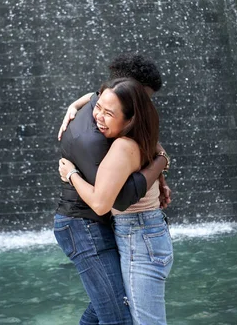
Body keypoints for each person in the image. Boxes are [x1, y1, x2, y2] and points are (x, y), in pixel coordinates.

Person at [54, 54, 170, 324]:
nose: (145, 104)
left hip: (104, 225)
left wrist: (161, 170)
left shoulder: (103, 108)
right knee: (117, 315)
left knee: (105, 305)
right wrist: (162, 162)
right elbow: (121, 198)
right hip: (84, 225)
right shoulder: (100, 137)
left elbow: (138, 145)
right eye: (143, 96)